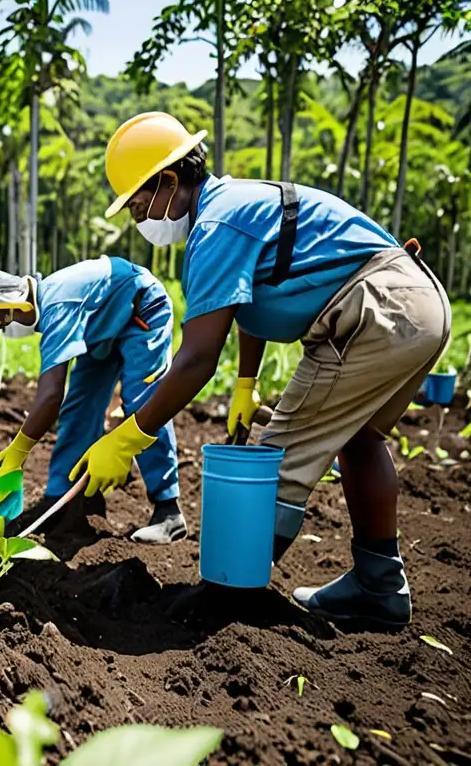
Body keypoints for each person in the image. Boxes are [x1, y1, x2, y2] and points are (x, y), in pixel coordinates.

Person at [72, 111, 450, 628]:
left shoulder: (216, 226)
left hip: (376, 313)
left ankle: (223, 604)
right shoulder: (234, 206)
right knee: (359, 439)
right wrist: (246, 383)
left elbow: (198, 357)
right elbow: (250, 301)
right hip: (416, 304)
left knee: (275, 461)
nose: (139, 220)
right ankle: (379, 587)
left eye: (139, 205)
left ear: (167, 182)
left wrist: (129, 434)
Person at [0, 258, 185, 544]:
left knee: (143, 404)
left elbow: (50, 396)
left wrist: (17, 453)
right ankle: (64, 499)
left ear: (17, 306)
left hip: (141, 309)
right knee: (79, 408)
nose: (4, 330)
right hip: (101, 329)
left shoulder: (55, 306)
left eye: (2, 321)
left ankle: (168, 510)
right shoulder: (51, 304)